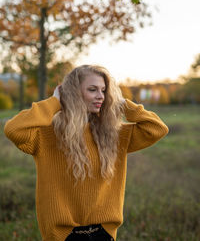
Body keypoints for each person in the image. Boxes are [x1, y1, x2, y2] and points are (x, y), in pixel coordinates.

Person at [4, 65, 169, 241]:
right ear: (74, 93)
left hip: (103, 234)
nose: (100, 96)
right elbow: (13, 129)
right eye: (92, 90)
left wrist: (122, 104)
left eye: (104, 91)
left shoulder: (113, 133)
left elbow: (157, 129)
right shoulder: (46, 135)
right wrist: (55, 102)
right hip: (62, 235)